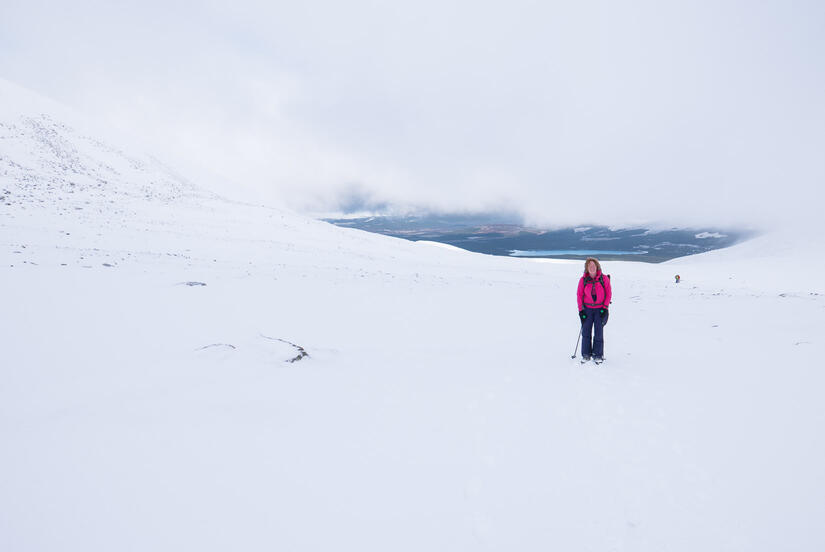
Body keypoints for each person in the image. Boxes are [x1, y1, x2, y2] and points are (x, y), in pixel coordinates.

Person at [577, 257, 611, 363]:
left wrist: (605, 308)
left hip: (599, 309)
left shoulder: (604, 278)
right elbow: (579, 295)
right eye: (589, 265)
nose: (592, 267)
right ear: (587, 268)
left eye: (593, 265)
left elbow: (608, 294)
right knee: (586, 332)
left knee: (598, 332)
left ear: (597, 266)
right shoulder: (583, 280)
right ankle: (586, 354)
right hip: (587, 309)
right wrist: (581, 310)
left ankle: (598, 355)